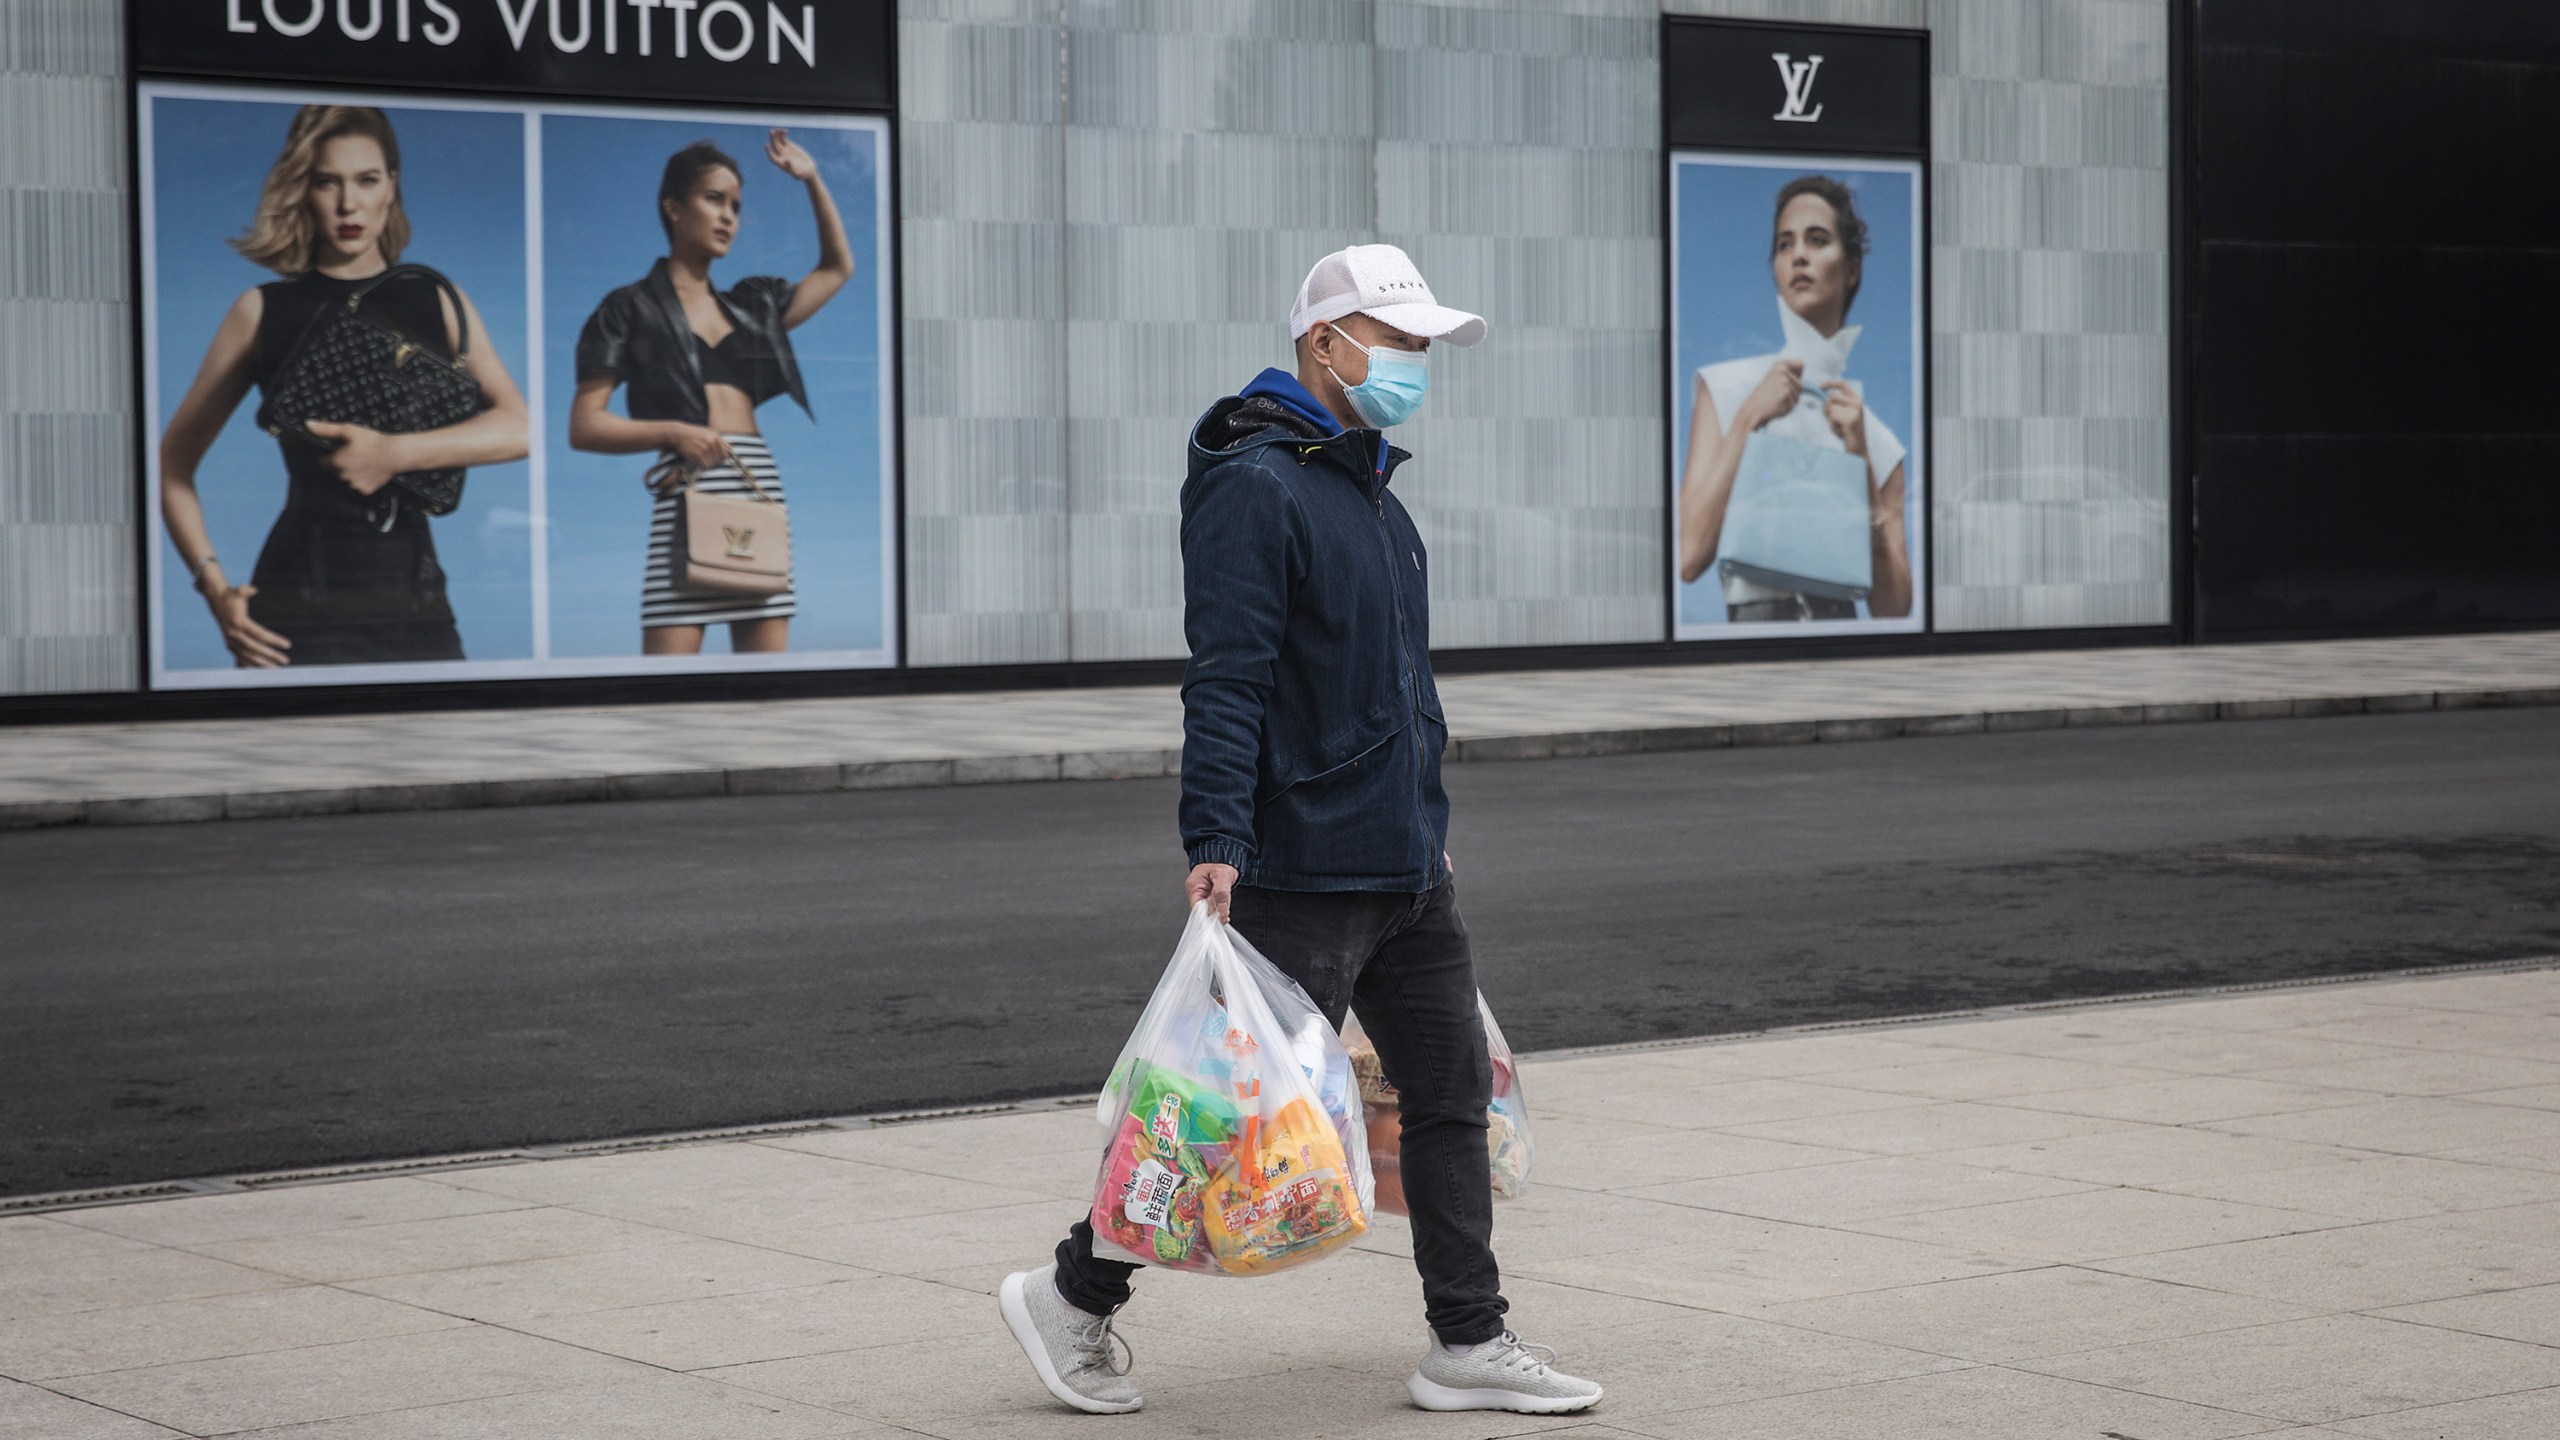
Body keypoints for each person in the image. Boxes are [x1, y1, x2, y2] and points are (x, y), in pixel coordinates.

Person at [996, 244, 1604, 1418]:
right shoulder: (1256, 485)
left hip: (1406, 863)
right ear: (1324, 342)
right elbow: (1229, 677)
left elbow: (1393, 683)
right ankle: (1073, 1296)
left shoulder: (1369, 488)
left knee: (1447, 1097)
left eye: (1424, 343)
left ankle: (1466, 1341)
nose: (1415, 361)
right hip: (1306, 860)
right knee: (1216, 1119)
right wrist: (1215, 834)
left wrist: (1430, 820)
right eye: (1396, 339)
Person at [158, 105, 529, 667]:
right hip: (295, 606)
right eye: (327, 182)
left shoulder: (435, 298)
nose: (348, 204)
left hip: (417, 601)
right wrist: (214, 589)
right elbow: (171, 463)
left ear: (392, 187)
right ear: (303, 190)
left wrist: (394, 453)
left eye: (367, 180)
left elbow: (518, 428)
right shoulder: (261, 311)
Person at [567, 131, 853, 655]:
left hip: (755, 484)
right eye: (713, 199)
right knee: (667, 696)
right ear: (673, 207)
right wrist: (674, 432)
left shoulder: (755, 305)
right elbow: (584, 426)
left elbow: (837, 268)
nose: (728, 218)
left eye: (736, 207)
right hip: (688, 487)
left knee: (767, 698)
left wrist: (811, 179)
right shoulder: (627, 308)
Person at [1676, 174, 1913, 621]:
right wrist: (1748, 419)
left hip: (1842, 658)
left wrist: (1860, 460)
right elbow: (1689, 558)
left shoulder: (1877, 439)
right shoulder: (1726, 389)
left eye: (1817, 240)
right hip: (1753, 649)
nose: (1798, 254)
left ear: (1851, 268)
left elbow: (1894, 608)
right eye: (1785, 245)